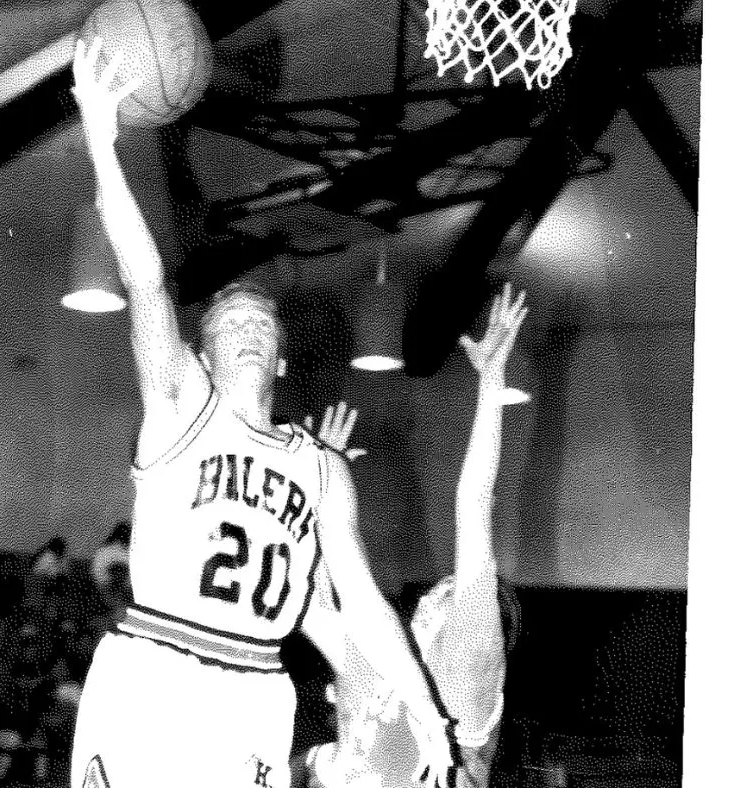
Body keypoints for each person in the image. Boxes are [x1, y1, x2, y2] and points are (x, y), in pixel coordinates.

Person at [68, 36, 454, 788]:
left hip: (256, 686)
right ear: (202, 356)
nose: (245, 329)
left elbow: (364, 603)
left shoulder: (323, 468)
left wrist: (425, 707)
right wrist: (103, 147)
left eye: (260, 325)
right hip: (156, 666)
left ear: (280, 360)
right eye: (226, 326)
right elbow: (146, 281)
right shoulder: (180, 406)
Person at [303, 285, 529, 788]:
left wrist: (492, 386)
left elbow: (472, 506)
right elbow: (314, 601)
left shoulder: (467, 669)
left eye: (451, 593)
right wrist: (322, 485)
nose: (432, 595)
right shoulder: (383, 661)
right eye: (437, 589)